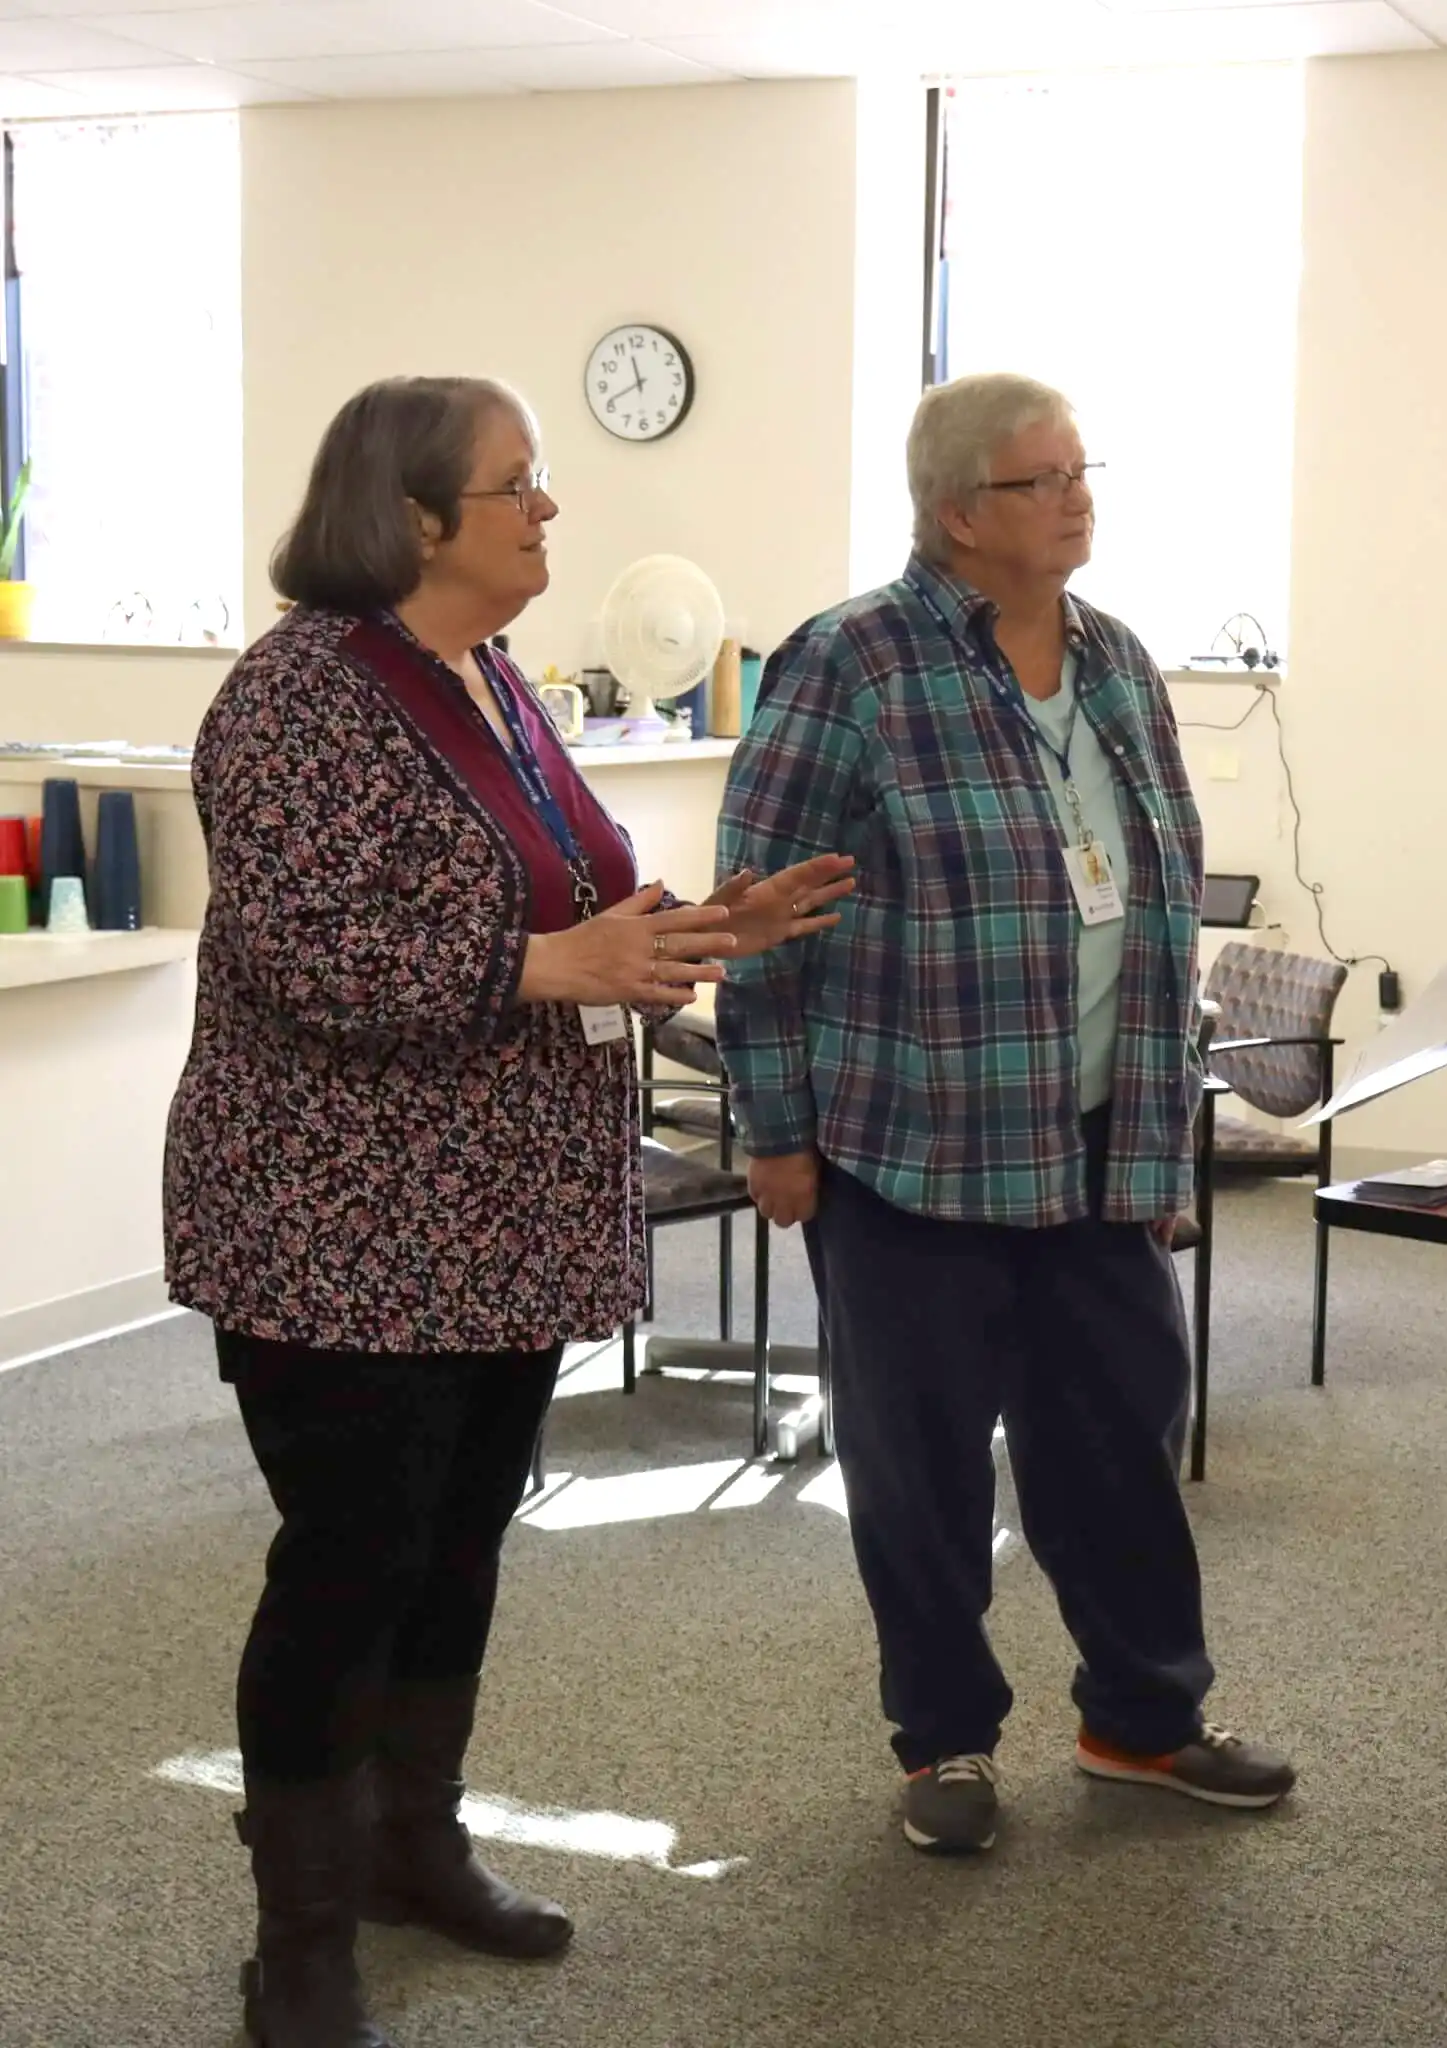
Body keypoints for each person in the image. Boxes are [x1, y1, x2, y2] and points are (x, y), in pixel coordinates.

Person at [163, 375, 853, 2048]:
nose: (551, 511)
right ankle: (305, 1936)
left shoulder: (495, 679)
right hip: (338, 1226)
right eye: (518, 486)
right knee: (350, 1564)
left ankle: (418, 1851)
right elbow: (305, 951)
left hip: (497, 1219)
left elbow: (570, 909)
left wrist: (697, 931)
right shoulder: (297, 698)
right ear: (410, 517)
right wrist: (557, 959)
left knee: (458, 1545)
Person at [716, 372, 1295, 1854]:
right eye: (1046, 479)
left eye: (1083, 468)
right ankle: (947, 1743)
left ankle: (1143, 1721)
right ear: (961, 513)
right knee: (917, 1470)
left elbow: (1158, 911)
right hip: (915, 1153)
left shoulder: (1114, 661)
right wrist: (774, 1130)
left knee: (1118, 1445)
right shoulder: (847, 665)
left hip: (1098, 1147)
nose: (1080, 495)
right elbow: (760, 918)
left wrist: (1162, 1141)